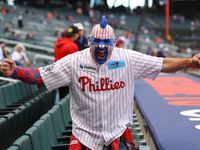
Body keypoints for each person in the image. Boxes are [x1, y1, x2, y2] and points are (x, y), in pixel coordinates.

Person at [1, 16, 200, 150]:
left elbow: (162, 63)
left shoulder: (127, 58)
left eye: (107, 43)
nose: (102, 46)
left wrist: (189, 62)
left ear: (114, 42)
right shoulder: (75, 61)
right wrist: (16, 71)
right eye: (97, 42)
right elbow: (41, 75)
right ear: (89, 40)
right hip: (85, 138)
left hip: (118, 136)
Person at [54, 25, 79, 100]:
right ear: (75, 35)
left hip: (58, 74)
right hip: (67, 76)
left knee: (60, 97)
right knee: (65, 100)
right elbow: (75, 64)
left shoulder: (58, 43)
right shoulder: (72, 46)